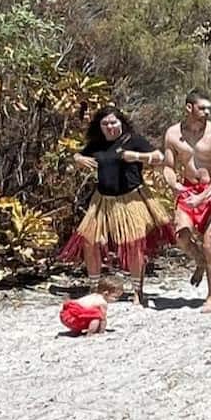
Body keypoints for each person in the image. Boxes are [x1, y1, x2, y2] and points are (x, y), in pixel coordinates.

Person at [59, 106, 172, 306]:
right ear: (99, 126)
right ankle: (94, 289)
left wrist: (136, 157)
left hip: (131, 200)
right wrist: (78, 158)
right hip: (102, 200)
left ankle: (138, 291)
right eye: (105, 123)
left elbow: (159, 157)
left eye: (113, 122)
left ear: (121, 122)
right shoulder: (97, 144)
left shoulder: (133, 140)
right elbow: (78, 156)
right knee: (89, 240)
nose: (110, 126)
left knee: (134, 244)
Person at [162, 89, 211, 313]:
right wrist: (174, 184)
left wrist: (204, 195)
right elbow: (168, 167)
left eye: (209, 108)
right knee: (181, 237)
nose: (207, 112)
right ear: (189, 108)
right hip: (189, 189)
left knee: (209, 242)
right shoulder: (173, 134)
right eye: (202, 108)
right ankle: (200, 261)